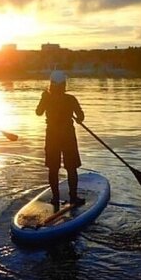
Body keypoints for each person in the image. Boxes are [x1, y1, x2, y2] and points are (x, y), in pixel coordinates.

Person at [36, 70, 85, 209]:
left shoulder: (47, 98)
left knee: (53, 168)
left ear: (51, 84)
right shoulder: (70, 99)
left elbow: (38, 112)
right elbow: (81, 117)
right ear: (64, 84)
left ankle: (55, 198)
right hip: (68, 136)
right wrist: (76, 116)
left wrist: (44, 98)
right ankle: (73, 197)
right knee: (71, 168)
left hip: (52, 136)